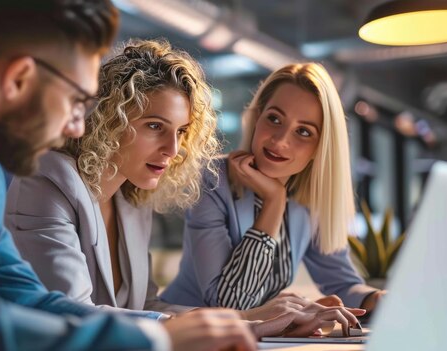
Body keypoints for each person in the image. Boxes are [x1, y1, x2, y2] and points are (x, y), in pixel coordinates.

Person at [0, 1, 256, 350]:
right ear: (18, 78)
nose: (78, 128)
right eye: (76, 101)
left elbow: (28, 299)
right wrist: (152, 342)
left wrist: (179, 331)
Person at [6, 40, 365, 337]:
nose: (173, 150)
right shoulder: (48, 182)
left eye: (180, 132)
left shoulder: (131, 201)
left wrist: (255, 323)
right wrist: (245, 325)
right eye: (154, 126)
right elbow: (75, 314)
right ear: (109, 119)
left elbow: (146, 308)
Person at [161, 63, 385, 315]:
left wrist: (376, 299)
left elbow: (343, 284)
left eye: (303, 131)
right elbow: (227, 303)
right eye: (274, 119)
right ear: (257, 119)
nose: (280, 141)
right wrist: (274, 200)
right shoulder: (212, 180)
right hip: (189, 336)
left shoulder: (308, 201)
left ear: (320, 148)